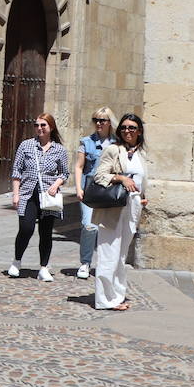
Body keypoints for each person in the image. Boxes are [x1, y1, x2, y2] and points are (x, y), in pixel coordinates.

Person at [92, 113, 148, 310]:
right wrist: (121, 178)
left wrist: (142, 197)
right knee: (109, 253)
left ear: (139, 131)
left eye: (132, 127)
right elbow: (99, 176)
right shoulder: (113, 150)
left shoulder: (142, 154)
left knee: (121, 255)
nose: (127, 131)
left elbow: (142, 181)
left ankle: (117, 294)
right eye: (124, 127)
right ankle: (104, 300)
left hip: (132, 208)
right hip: (113, 208)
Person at [8, 113, 70, 281]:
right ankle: (17, 261)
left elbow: (64, 173)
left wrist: (56, 185)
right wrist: (16, 194)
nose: (39, 128)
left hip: (48, 197)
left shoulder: (59, 150)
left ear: (51, 127)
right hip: (27, 194)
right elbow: (16, 171)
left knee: (46, 232)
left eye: (43, 125)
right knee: (26, 229)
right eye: (37, 125)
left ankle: (43, 267)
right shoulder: (26, 146)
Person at [72, 107, 117, 279]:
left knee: (107, 228)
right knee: (89, 226)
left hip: (109, 190)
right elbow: (79, 166)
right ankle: (85, 262)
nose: (98, 123)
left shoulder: (117, 143)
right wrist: (78, 188)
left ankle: (105, 263)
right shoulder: (86, 142)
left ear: (109, 122)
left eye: (102, 120)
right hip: (90, 190)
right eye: (96, 120)